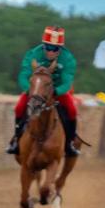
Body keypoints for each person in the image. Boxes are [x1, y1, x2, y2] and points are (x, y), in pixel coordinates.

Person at [6, 26, 79, 157]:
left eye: (55, 49)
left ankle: (69, 143)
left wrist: (57, 91)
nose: (50, 52)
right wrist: (30, 90)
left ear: (60, 49)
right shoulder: (33, 54)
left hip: (57, 91)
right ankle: (16, 140)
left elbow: (67, 82)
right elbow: (24, 75)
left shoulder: (68, 59)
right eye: (48, 47)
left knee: (72, 110)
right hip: (36, 91)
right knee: (19, 108)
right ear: (43, 46)